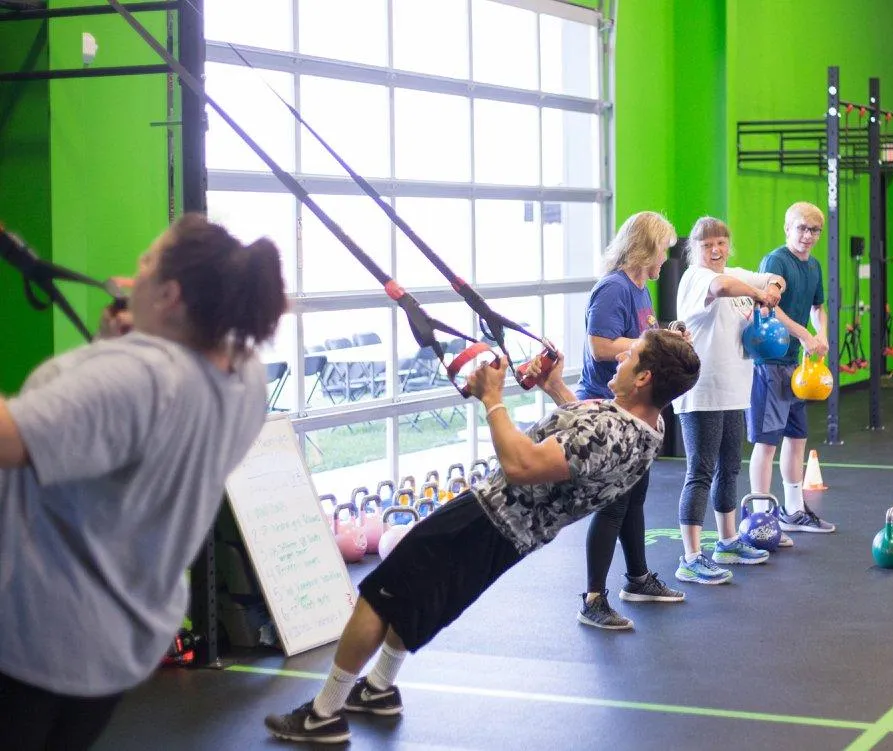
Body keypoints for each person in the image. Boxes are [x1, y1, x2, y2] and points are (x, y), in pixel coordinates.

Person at [264, 328, 701, 744]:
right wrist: (554, 387)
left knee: (380, 593)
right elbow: (583, 449)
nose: (621, 355)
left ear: (643, 378)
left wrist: (493, 399)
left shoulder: (611, 434)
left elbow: (522, 465)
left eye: (632, 354)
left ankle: (323, 714)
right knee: (414, 597)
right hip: (504, 532)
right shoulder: (647, 427)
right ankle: (378, 688)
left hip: (485, 521)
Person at [0, 213, 287, 751]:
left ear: (171, 294)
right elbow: (124, 431)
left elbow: (9, 440)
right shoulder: (244, 372)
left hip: (35, 641)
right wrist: (120, 343)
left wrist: (126, 355)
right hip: (112, 649)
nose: (133, 272)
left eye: (147, 262)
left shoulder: (140, 378)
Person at [574, 211, 686, 631]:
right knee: (613, 504)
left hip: (635, 411)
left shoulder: (641, 290)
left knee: (635, 498)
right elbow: (601, 346)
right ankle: (592, 599)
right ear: (644, 249)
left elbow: (642, 341)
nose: (665, 260)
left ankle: (638, 579)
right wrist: (654, 343)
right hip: (607, 406)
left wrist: (667, 337)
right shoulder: (613, 288)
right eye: (662, 251)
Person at [671, 217, 789, 585]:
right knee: (701, 471)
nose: (716, 250)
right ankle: (691, 558)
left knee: (729, 468)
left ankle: (727, 542)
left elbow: (773, 278)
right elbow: (721, 286)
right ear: (695, 249)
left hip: (734, 390)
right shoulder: (696, 277)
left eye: (721, 243)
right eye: (707, 245)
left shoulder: (736, 273)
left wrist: (772, 287)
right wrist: (758, 293)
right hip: (702, 391)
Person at [746, 202, 836, 532]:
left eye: (814, 230)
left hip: (795, 366)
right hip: (769, 363)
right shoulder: (776, 261)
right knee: (767, 443)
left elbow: (818, 307)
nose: (808, 235)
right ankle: (760, 518)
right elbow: (769, 308)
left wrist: (821, 333)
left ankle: (793, 512)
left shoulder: (813, 266)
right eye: (802, 228)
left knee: (797, 438)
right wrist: (805, 334)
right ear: (788, 229)